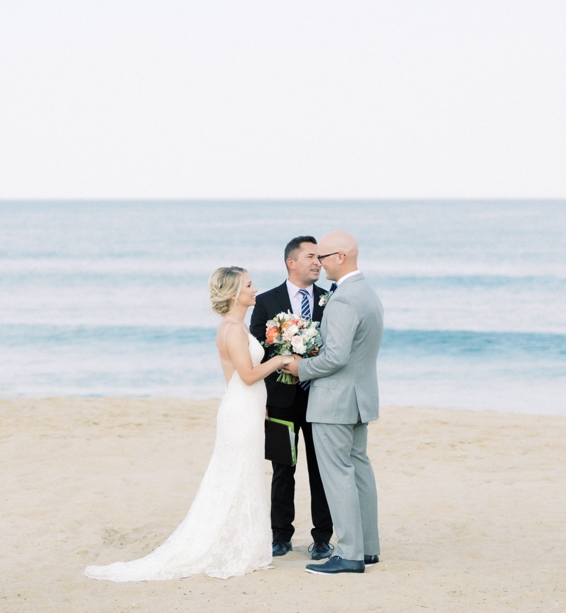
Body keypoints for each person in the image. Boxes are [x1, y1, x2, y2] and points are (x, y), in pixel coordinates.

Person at [86, 267, 289, 581]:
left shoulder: (236, 325)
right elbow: (248, 376)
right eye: (249, 285)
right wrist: (280, 359)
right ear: (235, 294)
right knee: (234, 475)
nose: (255, 289)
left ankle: (243, 545)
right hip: (239, 411)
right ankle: (231, 547)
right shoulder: (232, 329)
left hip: (246, 409)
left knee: (244, 475)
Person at [283, 231, 384, 575]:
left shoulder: (342, 299)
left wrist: (300, 367)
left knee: (338, 476)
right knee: (359, 472)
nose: (319, 264)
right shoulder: (367, 292)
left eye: (323, 257)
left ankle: (351, 553)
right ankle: (368, 547)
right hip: (360, 398)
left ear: (340, 257)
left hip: (335, 401)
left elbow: (336, 357)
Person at [250, 236, 334, 561]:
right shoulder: (266, 301)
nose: (318, 262)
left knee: (320, 469)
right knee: (283, 469)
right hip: (280, 400)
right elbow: (258, 349)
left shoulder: (330, 300)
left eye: (320, 257)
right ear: (292, 262)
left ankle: (322, 537)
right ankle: (280, 536)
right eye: (312, 256)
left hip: (320, 399)